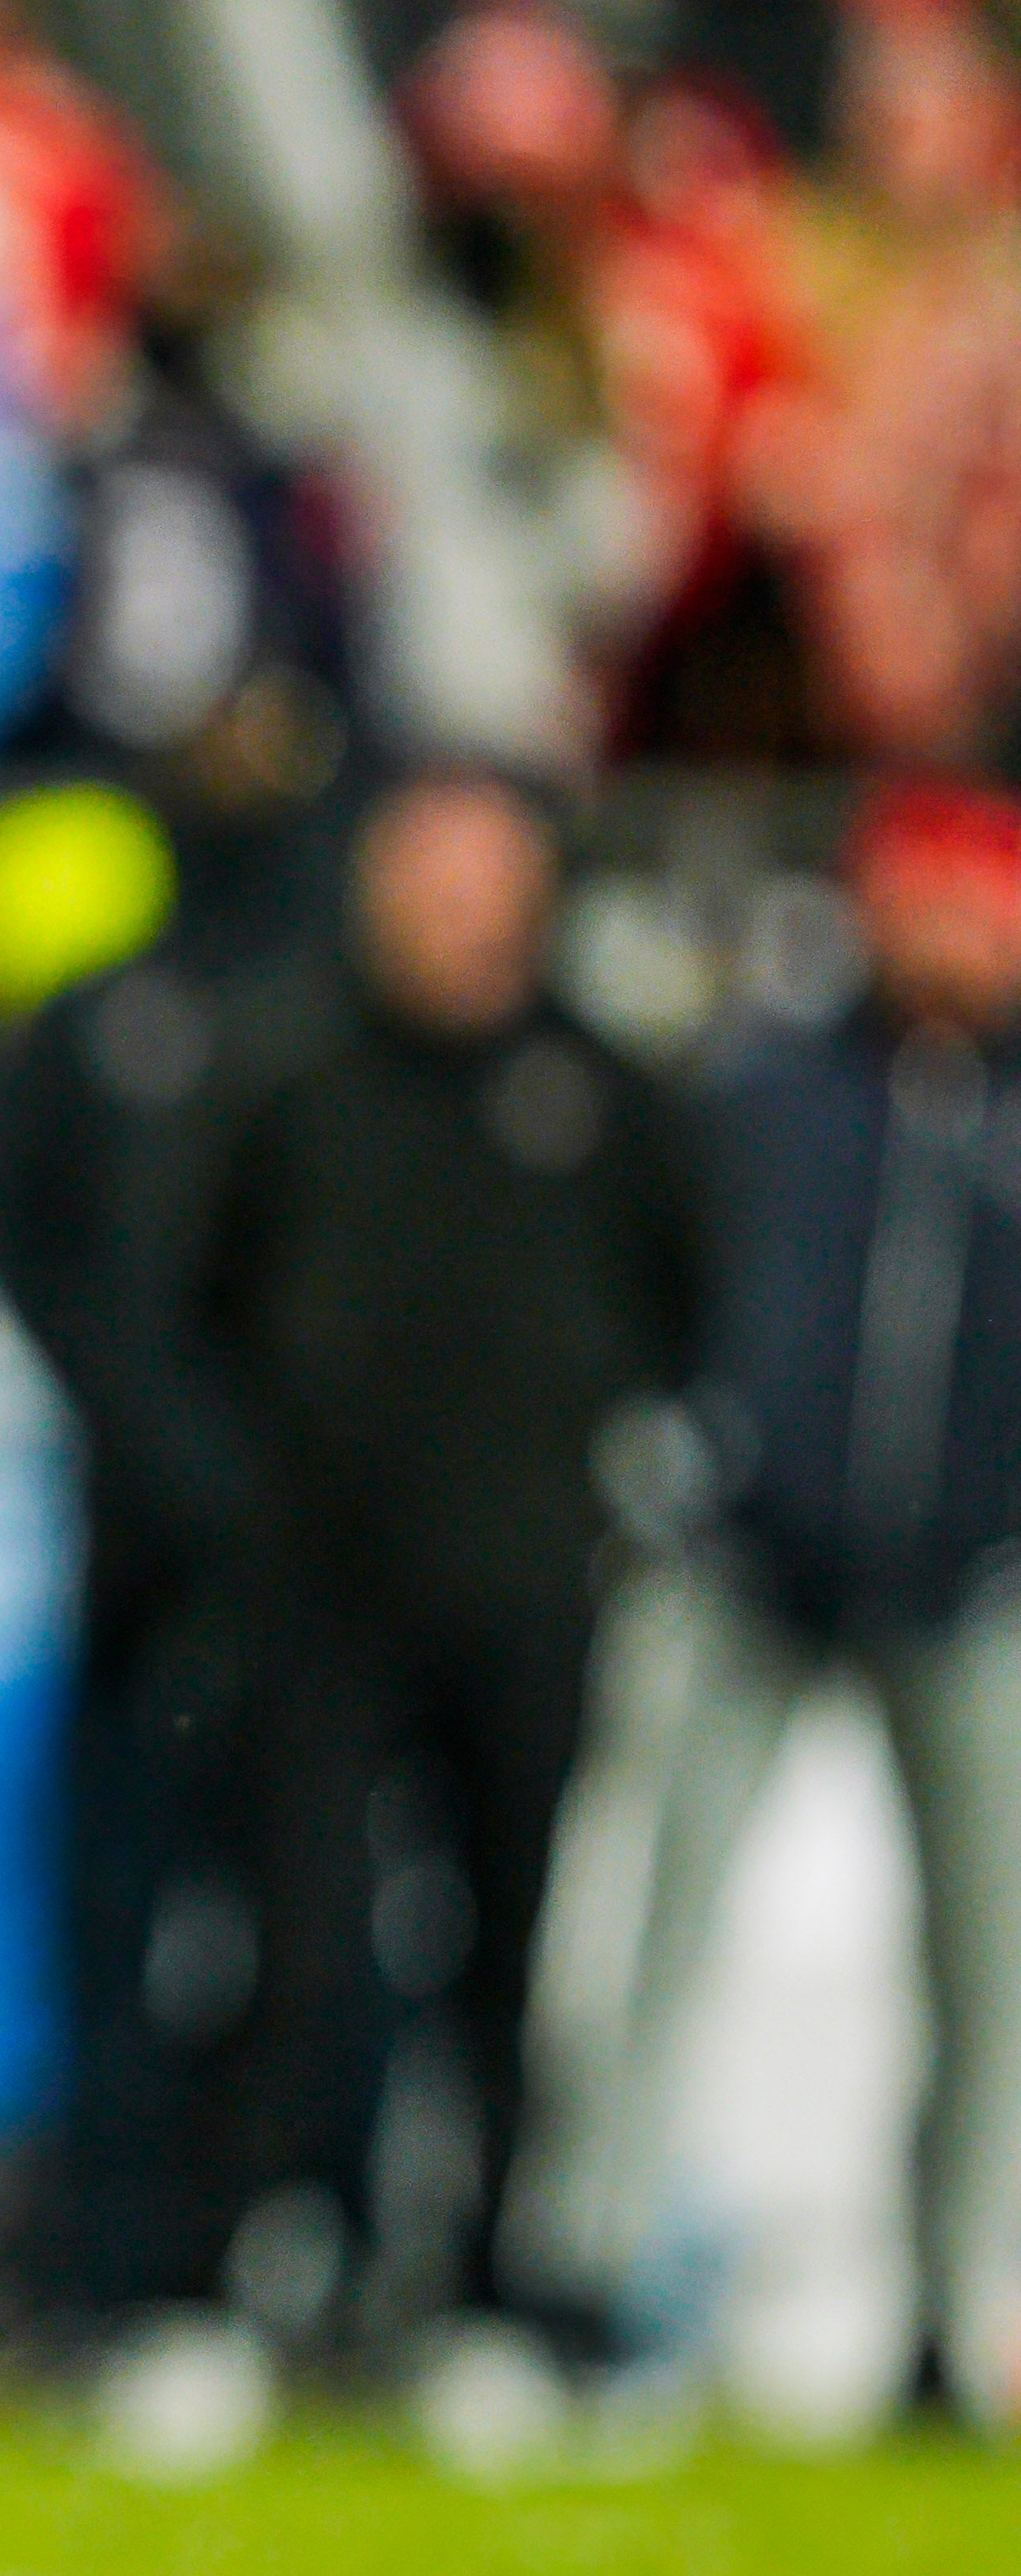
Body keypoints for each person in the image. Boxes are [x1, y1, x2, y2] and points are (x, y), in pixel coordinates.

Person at [175, 768, 702, 2367]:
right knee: (293, 1937)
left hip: (525, 1586)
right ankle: (259, 2275)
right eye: (432, 882)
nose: (461, 919)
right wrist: (244, 1497)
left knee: (505, 1945)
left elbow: (680, 1300)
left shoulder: (599, 1089)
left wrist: (582, 1490)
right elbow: (192, 1292)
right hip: (319, 1584)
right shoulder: (284, 1067)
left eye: (488, 885)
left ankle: (481, 2289)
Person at [543, 774, 1021, 2419]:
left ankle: (959, 2311)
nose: (948, 930)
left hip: (964, 1580)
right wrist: (689, 1460)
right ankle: (585, 2276)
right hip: (747, 1562)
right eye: (921, 893)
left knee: (988, 1966)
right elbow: (640, 1284)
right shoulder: (757, 1082)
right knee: (651, 1922)